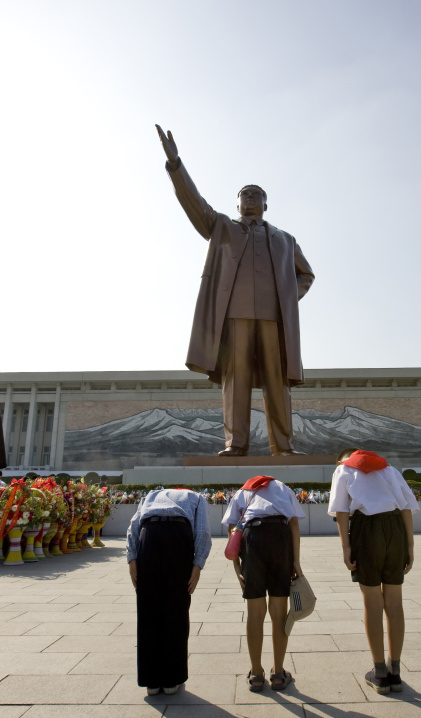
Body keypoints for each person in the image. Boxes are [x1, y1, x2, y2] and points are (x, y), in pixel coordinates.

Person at [155, 125, 315, 457]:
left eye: (256, 194)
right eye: (245, 194)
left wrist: (288, 297)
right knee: (235, 381)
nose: (250, 197)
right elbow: (195, 205)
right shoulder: (223, 228)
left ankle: (283, 447)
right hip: (235, 316)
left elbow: (306, 275)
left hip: (273, 319)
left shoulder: (285, 240)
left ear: (266, 205)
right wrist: (176, 165)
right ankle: (236, 444)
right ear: (238, 203)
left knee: (277, 382)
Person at [328, 448, 419, 695]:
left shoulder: (344, 470)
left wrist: (345, 546)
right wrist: (410, 545)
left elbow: (342, 510)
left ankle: (380, 673)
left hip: (366, 530)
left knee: (372, 602)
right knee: (395, 602)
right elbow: (406, 506)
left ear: (343, 459)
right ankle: (396, 672)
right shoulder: (388, 469)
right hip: (394, 528)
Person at [222, 475, 305, 692]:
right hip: (280, 538)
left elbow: (233, 527)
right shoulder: (283, 488)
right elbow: (294, 522)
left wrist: (236, 565)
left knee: (255, 611)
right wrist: (296, 560)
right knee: (279, 612)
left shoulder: (243, 491)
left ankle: (256, 674)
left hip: (252, 540)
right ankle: (278, 674)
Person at [126, 488, 211, 697]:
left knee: (148, 609)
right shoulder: (197, 498)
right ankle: (172, 680)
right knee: (176, 609)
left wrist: (132, 559)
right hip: (178, 538)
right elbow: (202, 532)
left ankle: (151, 681)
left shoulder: (150, 496)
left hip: (150, 536)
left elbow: (134, 527)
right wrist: (197, 564)